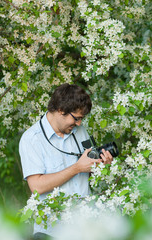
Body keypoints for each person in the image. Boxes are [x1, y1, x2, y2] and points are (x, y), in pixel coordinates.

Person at [19, 83, 114, 239]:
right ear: (61, 110)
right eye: (76, 118)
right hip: (51, 232)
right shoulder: (32, 139)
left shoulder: (80, 132)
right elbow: (36, 187)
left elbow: (90, 171)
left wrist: (103, 166)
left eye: (81, 119)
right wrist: (76, 168)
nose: (79, 124)